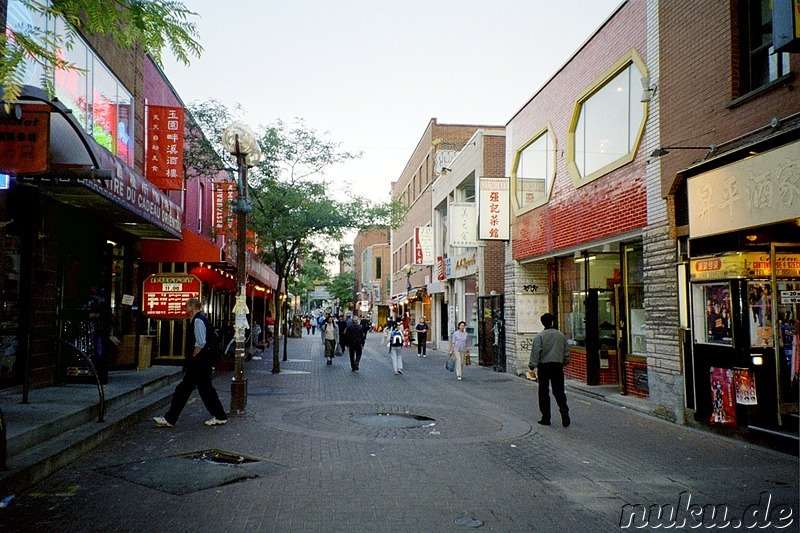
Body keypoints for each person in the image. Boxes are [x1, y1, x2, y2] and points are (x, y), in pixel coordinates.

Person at [154, 298, 228, 427]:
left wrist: (192, 358)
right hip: (203, 363)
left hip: (199, 363)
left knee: (184, 390)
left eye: (186, 306)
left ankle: (171, 418)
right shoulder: (200, 318)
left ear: (192, 307)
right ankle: (220, 415)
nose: (185, 309)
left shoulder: (198, 320)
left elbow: (200, 343)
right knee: (203, 390)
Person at [529, 312, 570, 427]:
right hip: (557, 366)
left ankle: (546, 417)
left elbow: (536, 352)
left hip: (544, 367)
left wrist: (532, 365)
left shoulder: (539, 336)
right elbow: (566, 352)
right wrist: (564, 362)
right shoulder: (560, 335)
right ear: (552, 322)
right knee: (559, 391)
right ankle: (564, 410)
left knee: (543, 392)